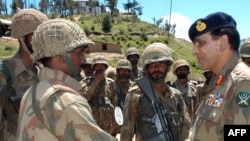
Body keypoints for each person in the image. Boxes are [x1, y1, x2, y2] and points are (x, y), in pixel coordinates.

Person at [17, 19, 117, 141]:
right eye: (79, 53)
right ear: (60, 58)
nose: (84, 60)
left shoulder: (31, 92)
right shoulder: (67, 102)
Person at [187, 12, 250, 141]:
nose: (194, 51)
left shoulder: (242, 83)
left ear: (222, 43)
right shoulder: (219, 81)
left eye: (200, 43)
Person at [120, 42, 191, 141]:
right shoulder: (135, 95)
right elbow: (127, 131)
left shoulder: (177, 96)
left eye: (161, 64)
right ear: (147, 69)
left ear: (167, 66)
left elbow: (185, 128)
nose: (156, 68)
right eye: (152, 64)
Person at [0, 8, 48, 141]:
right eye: (36, 36)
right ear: (22, 37)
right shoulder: (5, 71)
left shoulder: (42, 72)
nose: (41, 42)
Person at [81, 55, 119, 136]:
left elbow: (114, 104)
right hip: (91, 123)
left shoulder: (110, 83)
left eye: (102, 65)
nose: (100, 68)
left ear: (106, 67)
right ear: (94, 67)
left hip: (107, 125)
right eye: (98, 65)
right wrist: (96, 82)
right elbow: (84, 98)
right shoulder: (86, 82)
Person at [168, 59, 199, 125]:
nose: (182, 71)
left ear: (187, 72)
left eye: (184, 69)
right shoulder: (170, 88)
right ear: (175, 72)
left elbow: (197, 107)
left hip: (190, 124)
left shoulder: (193, 88)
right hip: (175, 125)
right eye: (179, 70)